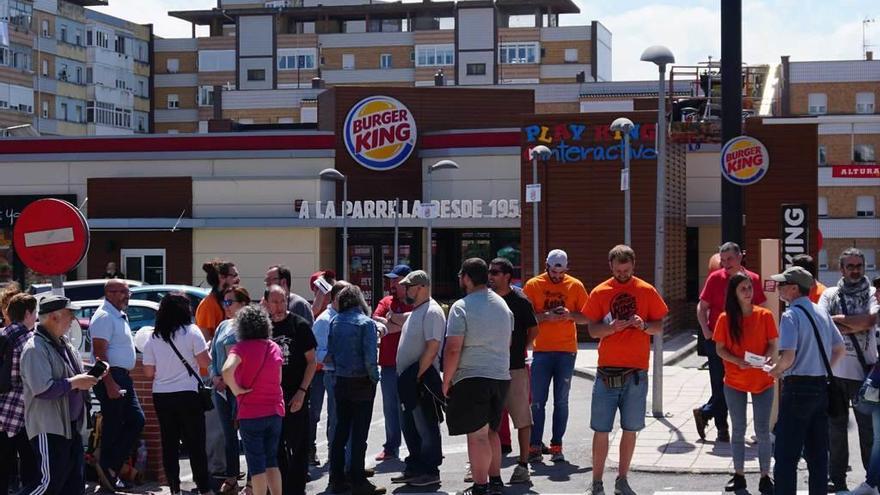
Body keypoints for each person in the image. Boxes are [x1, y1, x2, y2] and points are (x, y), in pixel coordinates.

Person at [584, 245, 668, 495]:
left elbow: (659, 326)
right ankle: (597, 483)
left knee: (630, 429)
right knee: (601, 430)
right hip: (606, 373)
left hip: (636, 375)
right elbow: (592, 330)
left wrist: (644, 326)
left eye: (627, 270)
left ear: (633, 266)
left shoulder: (645, 290)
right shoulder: (601, 291)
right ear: (611, 266)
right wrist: (612, 329)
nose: (622, 274)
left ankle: (622, 480)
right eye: (618, 270)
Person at [769, 266, 845, 495]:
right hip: (820, 386)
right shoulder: (820, 311)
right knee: (818, 454)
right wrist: (822, 368)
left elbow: (788, 357)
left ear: (794, 289)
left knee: (786, 454)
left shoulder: (790, 315)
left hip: (797, 388)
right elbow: (839, 348)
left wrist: (775, 370)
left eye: (783, 284)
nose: (779, 288)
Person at [444, 258, 513, 495]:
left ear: (466, 278)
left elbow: (453, 348)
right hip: (500, 376)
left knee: (477, 436)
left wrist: (446, 380)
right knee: (491, 432)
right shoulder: (503, 306)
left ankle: (480, 486)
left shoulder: (461, 306)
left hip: (473, 376)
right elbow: (509, 341)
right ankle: (495, 481)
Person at [19, 295, 99, 494]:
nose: (73, 319)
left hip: (70, 427)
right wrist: (75, 383)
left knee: (73, 487)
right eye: (69, 314)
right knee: (48, 484)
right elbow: (42, 389)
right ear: (54, 317)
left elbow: (70, 374)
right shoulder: (34, 348)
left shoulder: (63, 343)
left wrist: (91, 374)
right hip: (49, 427)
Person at [819, 248, 879, 492]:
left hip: (864, 375)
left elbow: (870, 320)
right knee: (835, 429)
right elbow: (821, 321)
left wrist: (837, 321)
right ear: (841, 269)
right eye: (850, 266)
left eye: (859, 266)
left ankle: (871, 481)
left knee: (868, 432)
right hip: (833, 372)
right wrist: (852, 323)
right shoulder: (830, 294)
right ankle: (837, 479)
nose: (855, 270)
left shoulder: (873, 294)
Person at [713, 274, 778, 494]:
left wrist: (768, 358)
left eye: (750, 287)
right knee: (738, 428)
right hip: (735, 380)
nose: (748, 292)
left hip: (763, 380)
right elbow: (720, 349)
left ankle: (765, 476)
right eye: (743, 288)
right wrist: (737, 361)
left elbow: (772, 344)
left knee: (762, 430)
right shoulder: (725, 318)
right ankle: (739, 475)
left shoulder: (765, 315)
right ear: (734, 293)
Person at [694, 242, 766, 442]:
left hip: (745, 342)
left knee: (741, 383)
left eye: (730, 259)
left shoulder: (752, 279)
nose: (725, 264)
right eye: (722, 260)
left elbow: (760, 308)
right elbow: (702, 307)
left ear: (740, 257)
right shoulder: (715, 278)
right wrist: (706, 331)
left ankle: (706, 413)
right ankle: (721, 428)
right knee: (720, 384)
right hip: (718, 340)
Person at [522, 249, 589, 462]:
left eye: (561, 273)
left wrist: (570, 315)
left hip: (567, 351)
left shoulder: (575, 285)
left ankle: (557, 444)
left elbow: (587, 317)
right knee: (537, 401)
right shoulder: (533, 285)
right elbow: (526, 316)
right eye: (554, 272)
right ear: (547, 267)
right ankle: (534, 445)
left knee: (561, 401)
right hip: (541, 350)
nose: (558, 276)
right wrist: (546, 316)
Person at [142, 294, 213, 495]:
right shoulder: (192, 332)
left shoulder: (153, 338)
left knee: (169, 443)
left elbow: (148, 373)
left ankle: (174, 489)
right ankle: (204, 488)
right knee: (196, 443)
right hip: (188, 394)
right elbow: (204, 363)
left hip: (162, 395)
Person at [326, 284, 385, 495]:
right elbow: (370, 358)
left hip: (340, 380)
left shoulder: (334, 321)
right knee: (359, 434)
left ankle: (337, 478)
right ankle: (358, 480)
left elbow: (330, 352)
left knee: (340, 432)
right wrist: (374, 379)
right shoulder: (366, 324)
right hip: (361, 382)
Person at [89, 279, 145, 492]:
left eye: (127, 292)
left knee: (135, 420)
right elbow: (99, 354)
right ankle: (107, 469)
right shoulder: (104, 316)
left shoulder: (117, 314)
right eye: (122, 292)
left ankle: (110, 466)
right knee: (114, 424)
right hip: (111, 377)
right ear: (109, 293)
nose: (127, 295)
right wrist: (110, 382)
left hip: (123, 377)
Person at [223, 304, 285, 495]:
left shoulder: (240, 348)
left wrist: (236, 390)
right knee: (271, 460)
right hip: (274, 411)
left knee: (256, 464)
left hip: (250, 413)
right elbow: (279, 378)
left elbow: (226, 370)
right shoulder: (274, 347)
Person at [391, 270, 445, 488]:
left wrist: (416, 376)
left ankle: (430, 470)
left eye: (410, 286)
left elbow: (432, 347)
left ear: (422, 287)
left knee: (426, 426)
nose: (405, 289)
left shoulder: (432, 311)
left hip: (421, 380)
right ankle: (414, 467)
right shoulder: (417, 310)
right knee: (410, 426)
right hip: (408, 379)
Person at [487, 257, 538, 484]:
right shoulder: (486, 299)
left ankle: (523, 465)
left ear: (507, 276)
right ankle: (488, 468)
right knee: (489, 422)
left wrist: (521, 348)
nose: (491, 276)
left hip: (515, 368)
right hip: (490, 368)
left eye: (495, 272)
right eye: (489, 272)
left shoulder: (520, 300)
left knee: (522, 418)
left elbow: (533, 330)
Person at [265, 285, 317, 495]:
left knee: (298, 446)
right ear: (266, 303)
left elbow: (312, 362)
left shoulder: (299, 325)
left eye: (282, 301)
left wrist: (302, 391)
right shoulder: (263, 327)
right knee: (273, 447)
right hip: (269, 397)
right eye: (274, 302)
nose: (278, 307)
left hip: (296, 395)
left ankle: (296, 489)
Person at [210, 287, 252, 494]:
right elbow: (212, 357)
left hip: (241, 389)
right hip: (221, 390)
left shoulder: (250, 329)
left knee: (249, 435)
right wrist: (215, 376)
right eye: (224, 302)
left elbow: (248, 362)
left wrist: (228, 380)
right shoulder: (223, 326)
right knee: (229, 436)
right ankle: (232, 477)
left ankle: (253, 481)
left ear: (243, 304)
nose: (225, 306)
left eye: (230, 302)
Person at [371, 264, 413, 462]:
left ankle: (419, 446)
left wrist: (392, 321)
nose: (392, 283)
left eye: (396, 279)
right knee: (390, 408)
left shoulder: (416, 302)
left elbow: (413, 322)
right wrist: (400, 323)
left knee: (413, 407)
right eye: (391, 279)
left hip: (410, 363)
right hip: (388, 364)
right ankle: (391, 447)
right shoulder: (386, 300)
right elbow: (376, 322)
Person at [0, 293, 38, 493]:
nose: (36, 318)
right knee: (30, 464)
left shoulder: (2, 333)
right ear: (27, 313)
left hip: (2, 407)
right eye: (35, 313)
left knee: (3, 466)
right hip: (19, 409)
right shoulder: (28, 340)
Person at [308, 270, 335, 466]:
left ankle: (334, 449)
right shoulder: (313, 310)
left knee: (335, 412)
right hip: (315, 371)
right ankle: (310, 449)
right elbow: (315, 308)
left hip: (333, 369)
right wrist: (321, 289)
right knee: (314, 412)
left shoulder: (338, 307)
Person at [197, 259, 240, 341]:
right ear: (222, 277)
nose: (238, 279)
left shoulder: (232, 301)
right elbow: (205, 341)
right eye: (234, 275)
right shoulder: (208, 305)